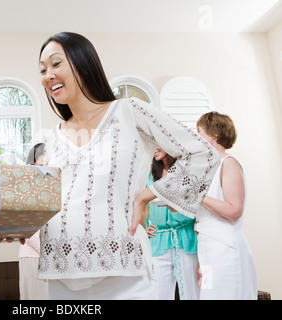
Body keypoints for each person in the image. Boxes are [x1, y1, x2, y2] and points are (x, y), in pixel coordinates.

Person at [37, 32, 220, 300]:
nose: (47, 75)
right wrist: (13, 224)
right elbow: (52, 201)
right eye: (42, 70)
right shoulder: (52, 137)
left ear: (83, 64)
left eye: (55, 64)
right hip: (61, 275)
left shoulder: (130, 112)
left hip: (124, 274)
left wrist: (148, 195)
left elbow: (202, 153)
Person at [196, 111, 257, 299]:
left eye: (199, 132)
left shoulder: (228, 163)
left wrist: (196, 195)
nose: (195, 137)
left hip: (226, 250)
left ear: (215, 134)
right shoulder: (208, 169)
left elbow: (234, 210)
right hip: (207, 248)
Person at [146, 147, 199, 300]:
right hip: (158, 240)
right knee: (158, 294)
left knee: (191, 294)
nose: (154, 148)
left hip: (186, 238)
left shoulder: (188, 171)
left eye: (157, 142)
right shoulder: (149, 174)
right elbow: (139, 201)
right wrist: (144, 225)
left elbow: (198, 202)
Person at [18, 143, 49, 300]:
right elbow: (26, 227)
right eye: (42, 164)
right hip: (33, 257)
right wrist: (49, 252)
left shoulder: (51, 187)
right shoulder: (27, 188)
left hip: (50, 256)